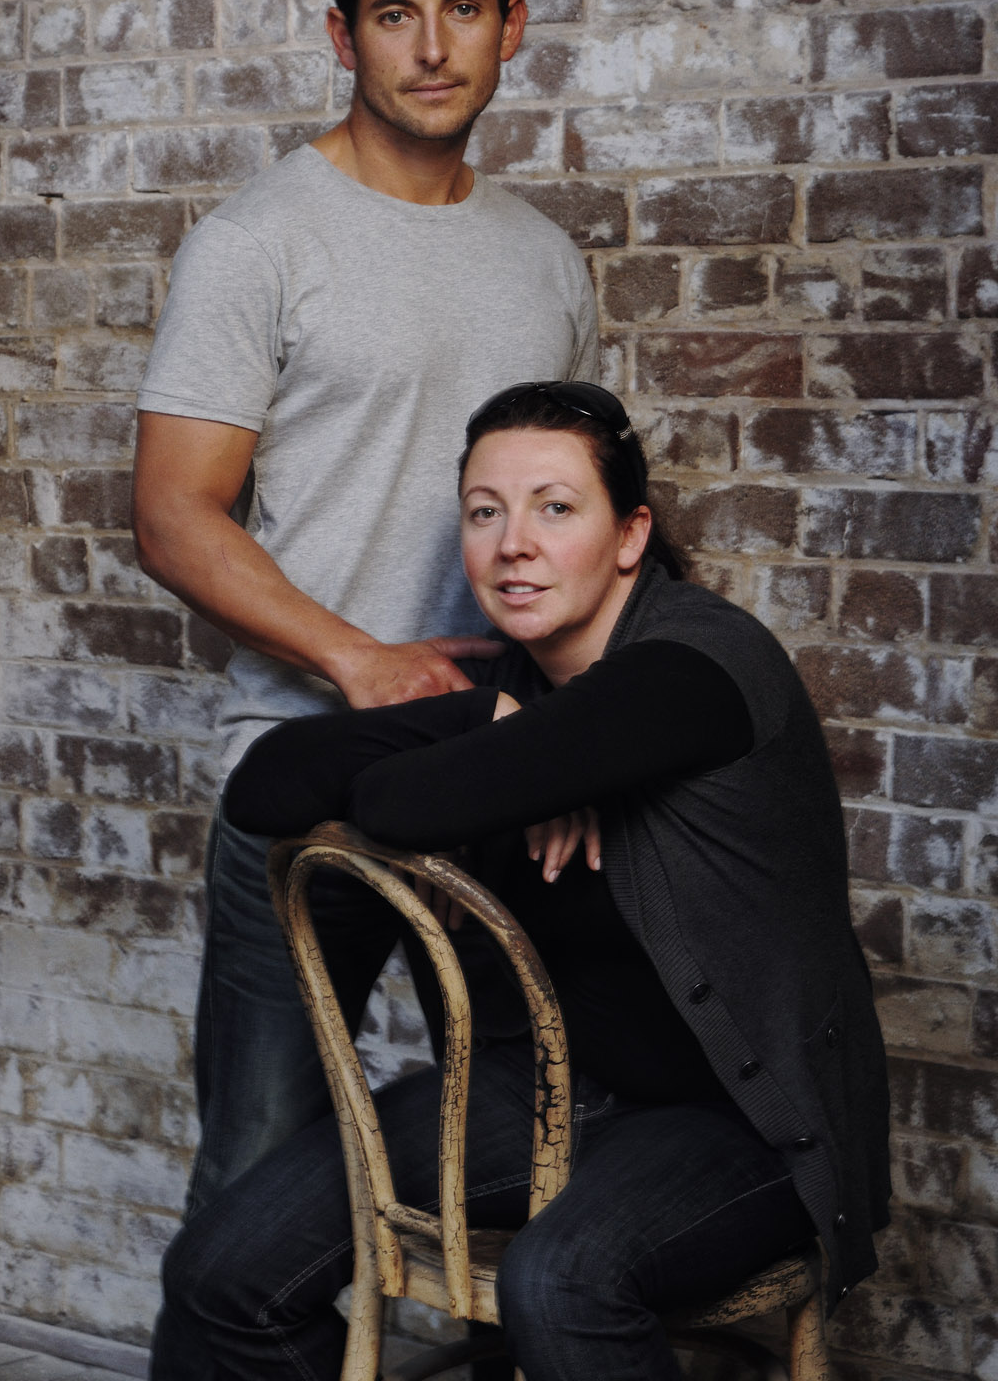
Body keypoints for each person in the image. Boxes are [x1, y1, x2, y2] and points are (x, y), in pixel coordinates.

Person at [155, 382, 891, 1381]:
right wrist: (505, 738)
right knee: (223, 1269)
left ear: (628, 534)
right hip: (550, 1092)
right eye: (484, 511)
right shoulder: (508, 682)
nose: (513, 544)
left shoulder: (698, 668)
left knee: (558, 1282)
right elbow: (266, 783)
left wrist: (506, 761)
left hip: (744, 1123)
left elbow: (409, 804)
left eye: (555, 507)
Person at [132, 0, 598, 1263]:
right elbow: (173, 515)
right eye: (395, 16)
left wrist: (584, 743)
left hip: (503, 783)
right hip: (306, 788)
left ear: (514, 23)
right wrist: (361, 660)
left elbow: (583, 524)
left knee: (536, 1161)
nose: (434, 47)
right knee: (261, 1191)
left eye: (463, 9)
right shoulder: (259, 244)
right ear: (343, 37)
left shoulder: (547, 259)